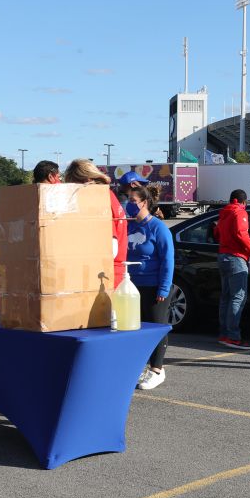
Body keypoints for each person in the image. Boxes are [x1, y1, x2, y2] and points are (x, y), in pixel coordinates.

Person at [124, 185, 175, 390]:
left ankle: (157, 369)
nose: (129, 204)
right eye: (127, 199)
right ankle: (141, 367)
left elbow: (168, 260)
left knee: (156, 328)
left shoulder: (158, 228)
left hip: (154, 285)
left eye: (133, 200)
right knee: (137, 329)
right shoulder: (128, 226)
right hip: (131, 286)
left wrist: (163, 288)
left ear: (144, 203)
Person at [64, 158, 126, 289]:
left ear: (86, 181)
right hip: (110, 275)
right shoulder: (108, 195)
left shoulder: (99, 200)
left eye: (75, 187)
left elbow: (111, 249)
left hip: (105, 277)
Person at [214, 189, 250, 350]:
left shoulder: (224, 212)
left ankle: (225, 334)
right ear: (243, 202)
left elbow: (217, 232)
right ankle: (233, 336)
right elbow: (242, 234)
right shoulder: (240, 213)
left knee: (226, 297)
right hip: (236, 258)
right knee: (238, 297)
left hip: (223, 256)